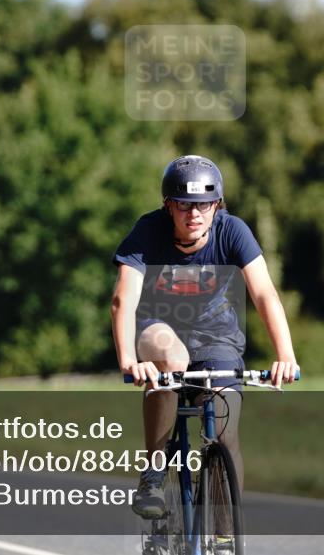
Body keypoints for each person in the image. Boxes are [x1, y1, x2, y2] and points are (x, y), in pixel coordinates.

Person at [111, 156, 299, 519]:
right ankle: (153, 475)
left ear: (218, 205)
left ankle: (226, 531)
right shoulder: (148, 232)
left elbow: (263, 294)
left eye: (203, 204)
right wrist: (128, 361)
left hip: (217, 337)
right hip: (158, 327)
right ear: (168, 205)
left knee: (226, 434)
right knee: (172, 359)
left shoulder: (233, 231)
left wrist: (285, 354)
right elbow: (123, 299)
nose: (194, 213)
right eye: (183, 204)